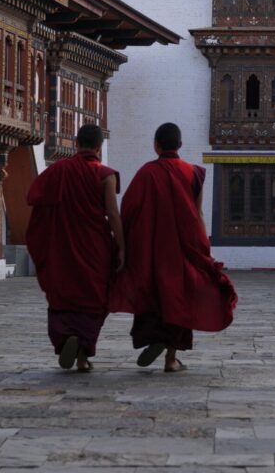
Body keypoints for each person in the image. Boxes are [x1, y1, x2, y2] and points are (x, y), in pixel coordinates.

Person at [110, 122, 237, 372]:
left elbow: (129, 209)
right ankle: (171, 358)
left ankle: (156, 338)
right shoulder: (193, 173)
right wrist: (205, 248)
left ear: (156, 145)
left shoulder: (146, 173)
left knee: (155, 294)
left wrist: (124, 245)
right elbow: (197, 213)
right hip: (184, 248)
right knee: (181, 298)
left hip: (152, 250)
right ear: (180, 145)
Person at [26, 123, 124, 372]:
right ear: (100, 147)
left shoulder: (57, 170)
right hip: (94, 248)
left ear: (76, 143)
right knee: (94, 298)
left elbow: (35, 200)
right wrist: (122, 247)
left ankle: (66, 337)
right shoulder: (106, 175)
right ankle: (82, 355)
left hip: (62, 246)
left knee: (63, 293)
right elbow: (112, 214)